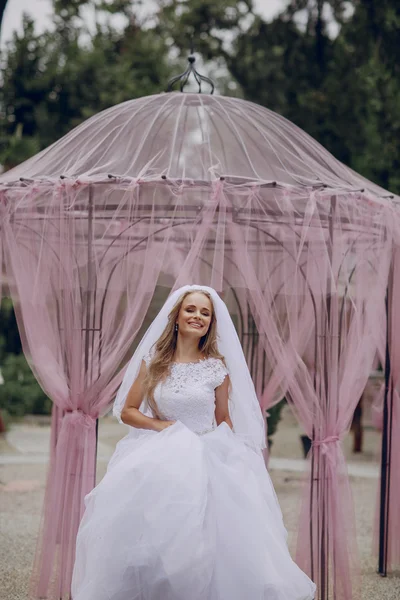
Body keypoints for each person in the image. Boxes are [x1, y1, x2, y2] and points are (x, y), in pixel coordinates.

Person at [71, 285, 316, 600]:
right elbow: (128, 412)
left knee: (214, 542)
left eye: (205, 312)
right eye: (191, 309)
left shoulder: (216, 368)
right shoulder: (153, 362)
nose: (197, 316)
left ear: (211, 322)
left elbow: (223, 418)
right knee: (156, 540)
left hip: (208, 455)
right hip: (161, 458)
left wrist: (228, 452)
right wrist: (163, 427)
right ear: (176, 317)